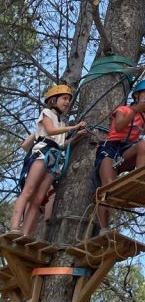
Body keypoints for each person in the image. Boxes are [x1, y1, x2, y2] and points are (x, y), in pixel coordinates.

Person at [10, 85, 87, 236]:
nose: (67, 102)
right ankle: (14, 227)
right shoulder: (46, 113)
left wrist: (77, 137)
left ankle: (25, 233)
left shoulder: (62, 124)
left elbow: (61, 145)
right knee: (28, 191)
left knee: (39, 198)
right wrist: (75, 127)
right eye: (64, 98)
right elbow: (50, 131)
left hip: (54, 159)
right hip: (42, 153)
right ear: (53, 100)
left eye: (68, 100)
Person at [94, 77, 145, 229]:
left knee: (143, 144)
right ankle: (103, 228)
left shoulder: (144, 116)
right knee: (107, 187)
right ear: (136, 96)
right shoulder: (123, 110)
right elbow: (119, 126)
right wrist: (135, 110)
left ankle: (139, 181)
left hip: (125, 152)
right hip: (110, 150)